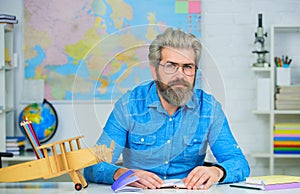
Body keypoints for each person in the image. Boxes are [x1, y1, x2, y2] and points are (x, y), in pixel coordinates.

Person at [84, 27, 250, 190]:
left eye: (187, 67)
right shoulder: (129, 106)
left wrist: (216, 172)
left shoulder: (209, 108)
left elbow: (238, 162)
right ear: (155, 71)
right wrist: (122, 174)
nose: (180, 75)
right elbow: (92, 166)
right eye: (171, 66)